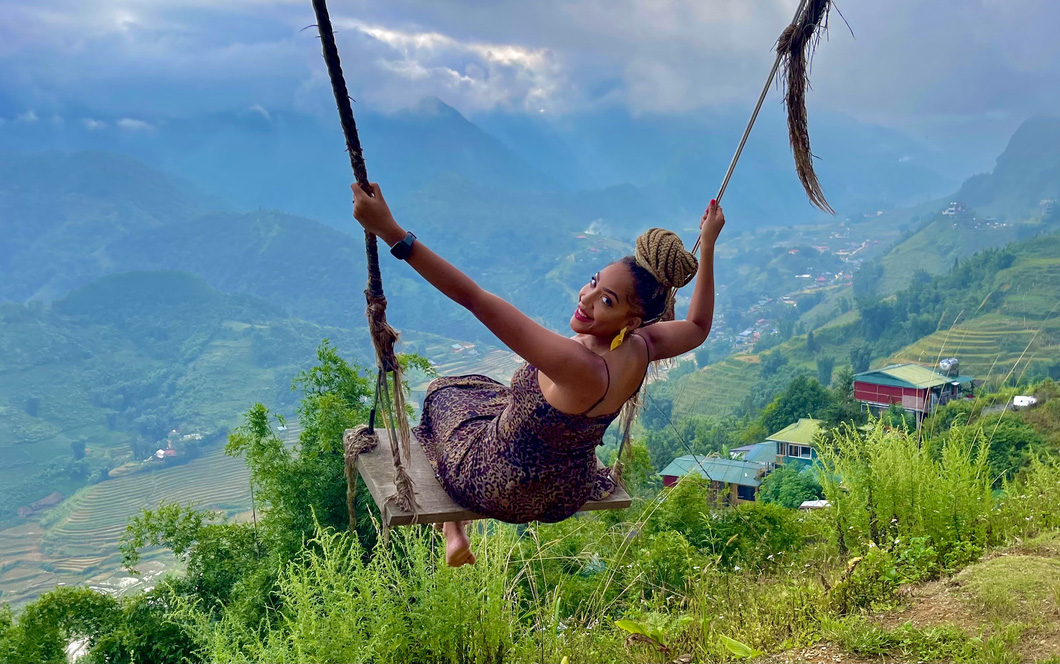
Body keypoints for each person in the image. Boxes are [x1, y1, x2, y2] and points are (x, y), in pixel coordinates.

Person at [352, 182, 725, 566]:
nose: (587, 299)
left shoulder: (576, 364)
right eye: (594, 283)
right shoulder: (643, 346)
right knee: (489, 392)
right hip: (566, 490)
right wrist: (708, 244)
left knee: (444, 392)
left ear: (630, 319)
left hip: (498, 483)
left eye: (606, 302)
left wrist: (393, 234)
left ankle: (453, 529)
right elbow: (697, 326)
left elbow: (476, 300)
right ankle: (455, 533)